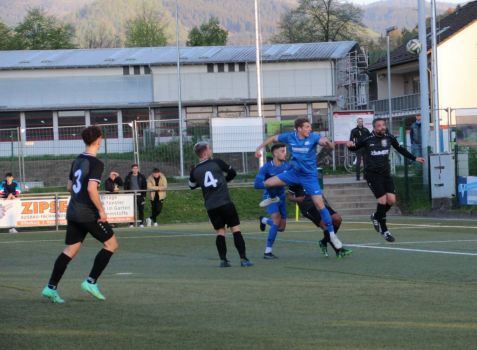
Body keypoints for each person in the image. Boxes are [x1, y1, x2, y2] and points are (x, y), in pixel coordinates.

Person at [42, 126, 119, 304]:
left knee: (70, 250)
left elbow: (70, 187)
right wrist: (101, 210)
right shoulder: (96, 163)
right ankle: (91, 282)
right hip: (88, 213)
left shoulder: (77, 160)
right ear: (99, 140)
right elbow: (92, 188)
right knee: (111, 244)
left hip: (73, 211)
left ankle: (50, 287)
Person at [255, 117, 343, 251]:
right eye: (307, 127)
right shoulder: (290, 137)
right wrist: (259, 148)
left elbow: (327, 144)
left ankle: (332, 234)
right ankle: (273, 197)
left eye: (310, 127)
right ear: (299, 129)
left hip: (309, 177)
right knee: (266, 183)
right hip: (294, 174)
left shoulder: (313, 137)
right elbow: (273, 138)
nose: (310, 129)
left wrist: (329, 143)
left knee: (320, 205)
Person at [347, 118, 425, 242]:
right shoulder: (367, 139)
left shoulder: (389, 137)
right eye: (379, 126)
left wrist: (415, 158)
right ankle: (385, 230)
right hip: (372, 174)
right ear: (374, 127)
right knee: (382, 201)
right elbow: (354, 147)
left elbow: (400, 149)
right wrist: (349, 145)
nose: (382, 127)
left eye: (383, 125)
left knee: (391, 200)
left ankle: (376, 216)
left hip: (385, 174)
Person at [189, 141, 253, 268]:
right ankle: (243, 259)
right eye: (209, 148)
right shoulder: (217, 162)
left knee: (220, 232)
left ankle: (223, 260)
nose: (211, 150)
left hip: (211, 206)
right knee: (235, 229)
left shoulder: (195, 170)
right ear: (206, 152)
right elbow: (233, 173)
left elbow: (191, 186)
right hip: (225, 202)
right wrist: (224, 181)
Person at [288, 184, 352, 258]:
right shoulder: (295, 181)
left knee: (337, 219)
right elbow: (290, 197)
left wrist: (326, 202)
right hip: (308, 208)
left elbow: (318, 192)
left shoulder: (311, 177)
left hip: (319, 203)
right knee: (326, 226)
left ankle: (324, 242)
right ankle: (338, 250)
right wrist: (298, 199)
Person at [254, 143, 289, 259]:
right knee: (276, 220)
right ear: (275, 153)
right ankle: (267, 252)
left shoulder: (287, 166)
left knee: (281, 227)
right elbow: (257, 184)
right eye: (282, 151)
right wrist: (270, 184)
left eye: (285, 151)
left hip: (282, 197)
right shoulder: (266, 167)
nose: (285, 153)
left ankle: (263, 220)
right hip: (270, 197)